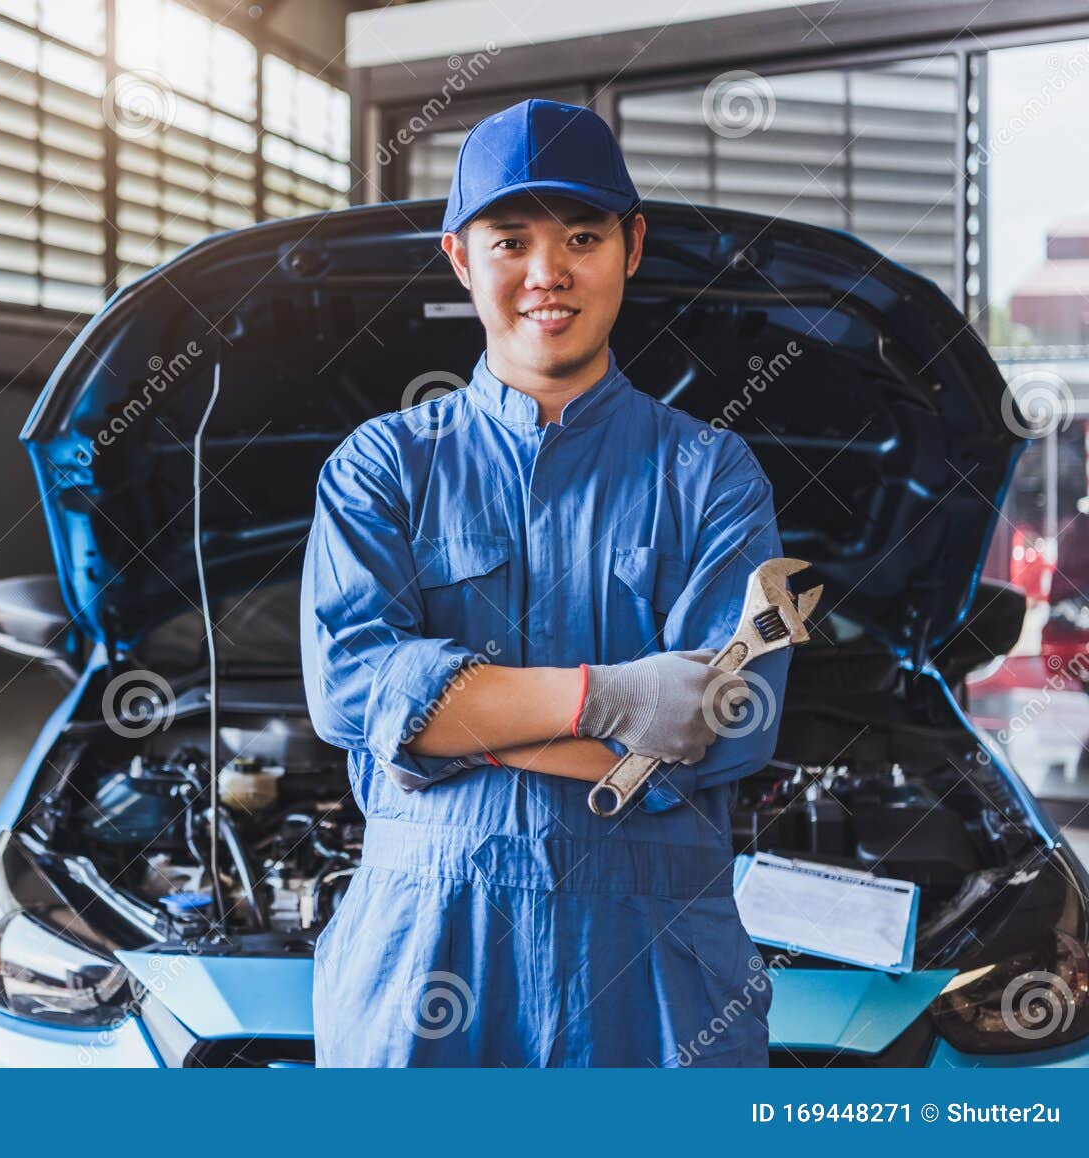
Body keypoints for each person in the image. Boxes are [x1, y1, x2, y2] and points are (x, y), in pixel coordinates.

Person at [299, 99, 791, 1067]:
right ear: (458, 256)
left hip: (656, 992)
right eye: (509, 239)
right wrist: (610, 698)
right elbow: (350, 691)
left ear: (631, 244)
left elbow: (717, 728)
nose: (546, 274)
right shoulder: (379, 471)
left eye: (580, 235)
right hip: (420, 976)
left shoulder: (711, 476)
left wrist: (440, 740)